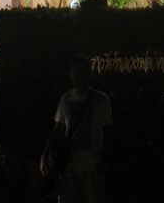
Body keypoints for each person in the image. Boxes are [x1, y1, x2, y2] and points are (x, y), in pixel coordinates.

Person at [40, 55, 112, 203]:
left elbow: (107, 133)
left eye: (81, 73)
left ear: (88, 74)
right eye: (75, 73)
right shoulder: (66, 99)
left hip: (91, 168)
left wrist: (104, 161)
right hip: (69, 167)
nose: (78, 77)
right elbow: (58, 130)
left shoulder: (101, 100)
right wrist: (45, 154)